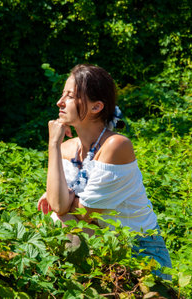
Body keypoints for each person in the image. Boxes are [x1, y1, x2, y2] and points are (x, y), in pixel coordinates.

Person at [37, 64, 172, 280]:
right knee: (55, 220)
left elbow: (82, 214)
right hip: (104, 241)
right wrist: (53, 144)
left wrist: (64, 195)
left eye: (70, 96)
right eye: (62, 94)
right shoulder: (66, 148)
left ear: (96, 107)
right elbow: (62, 206)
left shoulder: (116, 146)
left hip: (141, 252)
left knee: (58, 221)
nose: (59, 102)